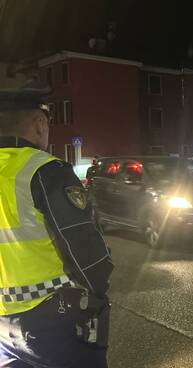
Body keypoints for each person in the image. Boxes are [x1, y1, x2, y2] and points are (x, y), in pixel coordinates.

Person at [0, 81, 113, 367]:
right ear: (39, 124)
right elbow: (85, 250)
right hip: (54, 322)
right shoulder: (45, 170)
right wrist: (97, 293)